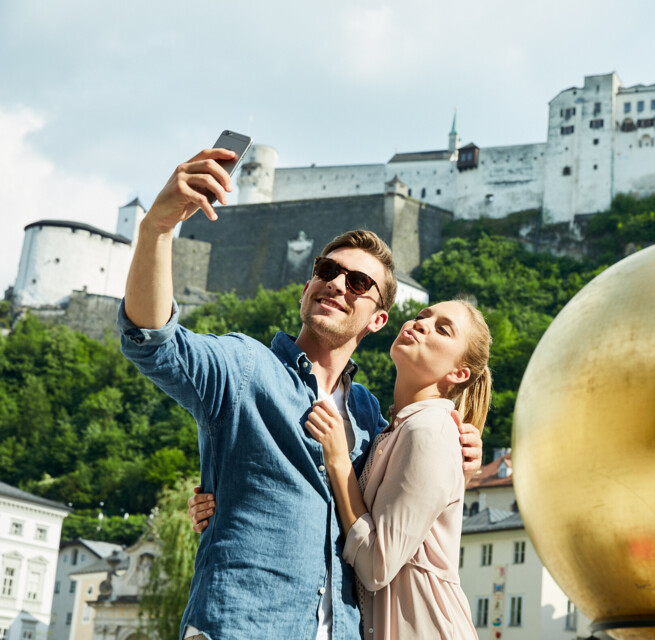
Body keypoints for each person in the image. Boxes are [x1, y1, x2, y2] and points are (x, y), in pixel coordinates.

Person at [118, 148, 483, 640]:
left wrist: (467, 452)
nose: (336, 284)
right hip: (244, 626)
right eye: (325, 270)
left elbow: (410, 486)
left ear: (378, 320)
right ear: (305, 288)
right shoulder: (246, 368)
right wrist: (158, 229)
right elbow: (155, 341)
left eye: (357, 282)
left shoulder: (373, 418)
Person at [198, 300, 491, 639]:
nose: (421, 323)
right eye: (423, 316)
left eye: (442, 329)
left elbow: (375, 566)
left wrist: (338, 460)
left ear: (459, 374)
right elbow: (338, 512)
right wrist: (226, 499)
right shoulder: (387, 430)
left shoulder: (429, 430)